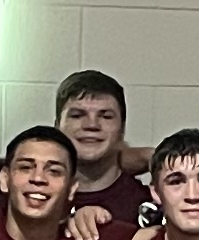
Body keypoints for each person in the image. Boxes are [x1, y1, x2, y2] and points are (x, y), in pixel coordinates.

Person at [53, 70, 145, 207]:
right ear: (57, 126)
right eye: (77, 115)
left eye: (105, 116)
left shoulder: (147, 204)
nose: (91, 125)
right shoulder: (35, 200)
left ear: (122, 129)